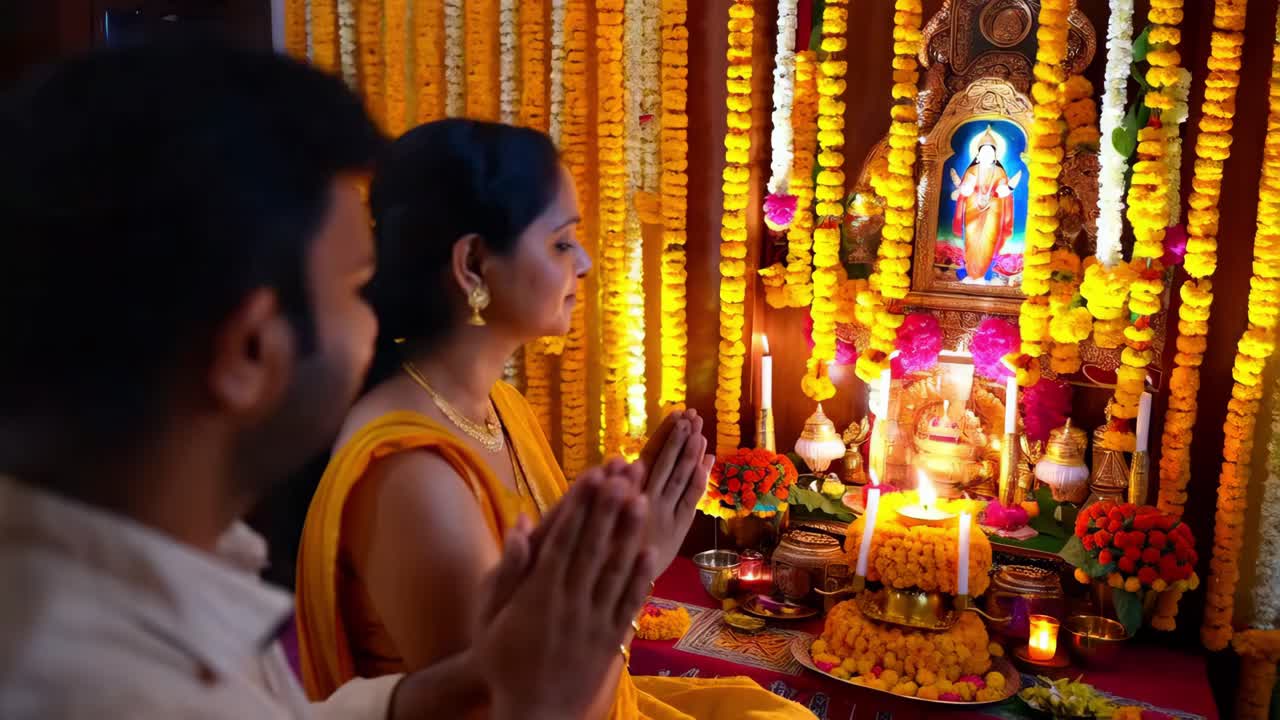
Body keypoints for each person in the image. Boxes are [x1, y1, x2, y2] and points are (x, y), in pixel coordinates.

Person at [0, 44, 659, 720]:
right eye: (353, 286)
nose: (377, 317)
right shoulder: (96, 690)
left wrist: (470, 680)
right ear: (249, 350)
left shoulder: (139, 574)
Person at [294, 119, 816, 719]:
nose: (586, 263)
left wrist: (627, 556)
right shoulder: (415, 476)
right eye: (562, 241)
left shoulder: (501, 408)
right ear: (472, 264)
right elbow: (521, 706)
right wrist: (629, 573)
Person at [949, 125, 1021, 283]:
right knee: (972, 241)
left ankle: (982, 275)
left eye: (990, 152)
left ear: (995, 156)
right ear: (978, 155)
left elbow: (1003, 191)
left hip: (993, 212)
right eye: (984, 152)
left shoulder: (999, 172)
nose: (987, 155)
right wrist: (966, 189)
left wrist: (1003, 190)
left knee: (988, 241)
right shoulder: (973, 170)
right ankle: (971, 274)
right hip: (972, 211)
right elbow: (966, 189)